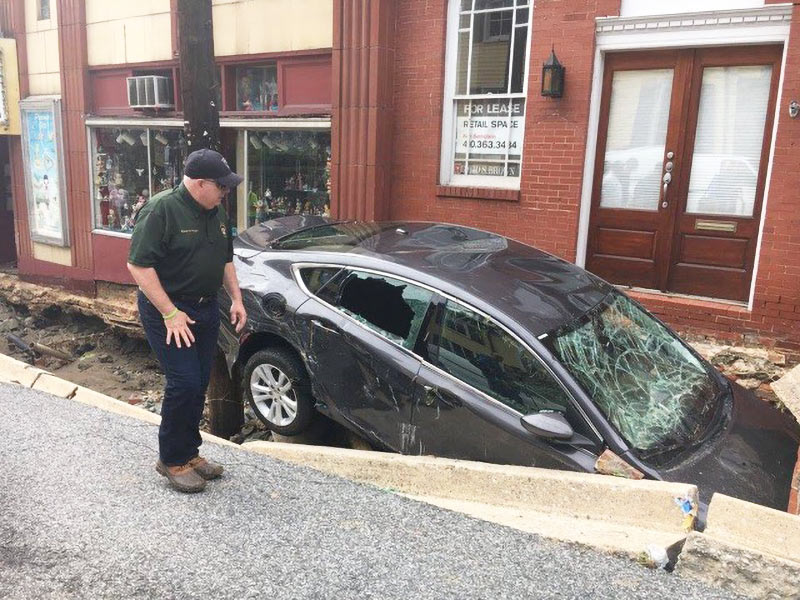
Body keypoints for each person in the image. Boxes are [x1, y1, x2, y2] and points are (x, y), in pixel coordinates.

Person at [127, 148, 247, 493]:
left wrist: (237, 299)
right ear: (198, 184)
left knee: (199, 380)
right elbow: (138, 265)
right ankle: (171, 459)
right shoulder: (161, 210)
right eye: (221, 186)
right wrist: (169, 312)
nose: (226, 192)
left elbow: (225, 260)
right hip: (169, 311)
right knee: (183, 383)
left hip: (205, 308)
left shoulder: (216, 210)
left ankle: (190, 452)